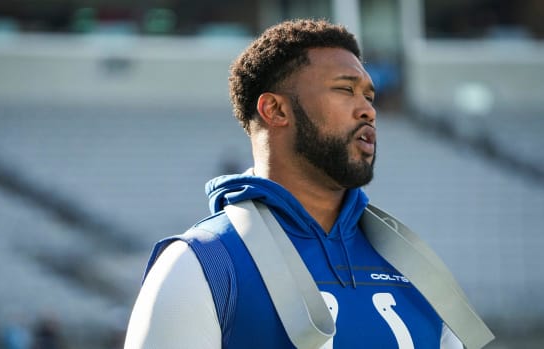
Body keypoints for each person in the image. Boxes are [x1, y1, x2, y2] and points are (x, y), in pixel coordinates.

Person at [124, 19, 465, 348]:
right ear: (275, 109)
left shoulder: (413, 263)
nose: (368, 111)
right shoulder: (199, 265)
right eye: (346, 90)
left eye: (369, 96)